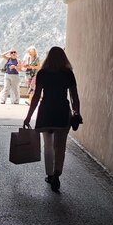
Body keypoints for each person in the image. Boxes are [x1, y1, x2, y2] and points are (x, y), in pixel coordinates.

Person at [23, 46, 80, 193]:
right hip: (62, 112)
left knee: (48, 145)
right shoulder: (68, 73)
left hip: (46, 111)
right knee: (60, 146)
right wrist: (76, 112)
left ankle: (49, 174)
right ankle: (57, 174)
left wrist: (28, 116)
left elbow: (36, 97)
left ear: (48, 57)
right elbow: (74, 96)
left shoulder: (43, 73)